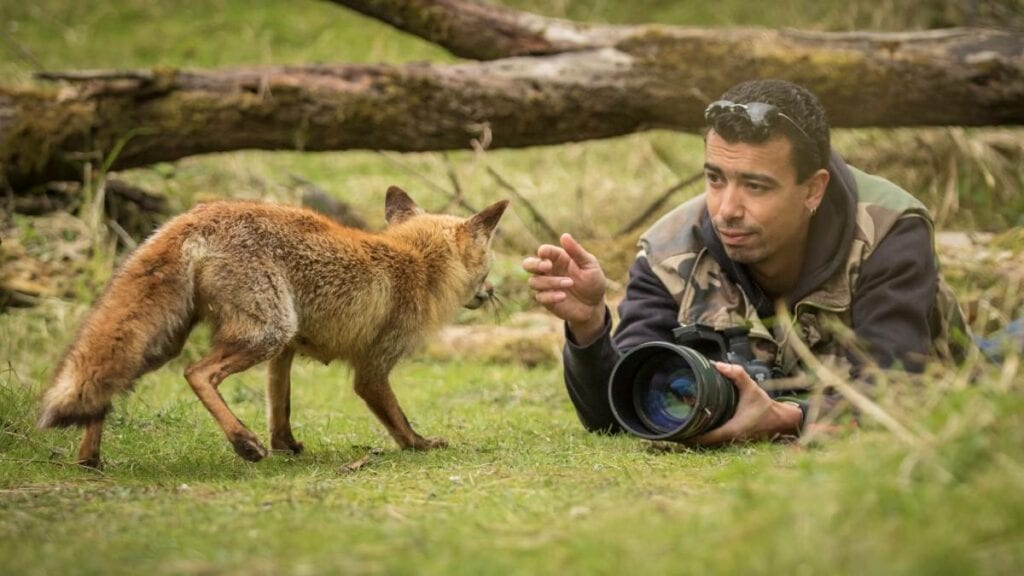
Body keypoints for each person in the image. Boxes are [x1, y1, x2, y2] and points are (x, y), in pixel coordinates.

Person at [522, 79, 969, 445]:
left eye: (756, 186)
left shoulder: (889, 231)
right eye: (715, 179)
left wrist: (787, 417)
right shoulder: (668, 249)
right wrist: (589, 329)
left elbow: (899, 394)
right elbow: (623, 414)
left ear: (813, 189)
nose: (727, 209)